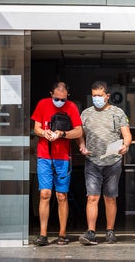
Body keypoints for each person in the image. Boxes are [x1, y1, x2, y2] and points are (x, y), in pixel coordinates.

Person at [77, 81, 132, 245]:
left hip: (113, 161)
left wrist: (126, 145)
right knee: (92, 197)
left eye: (99, 96)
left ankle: (110, 231)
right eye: (94, 96)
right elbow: (79, 133)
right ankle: (91, 232)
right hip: (92, 161)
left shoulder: (118, 113)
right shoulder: (86, 113)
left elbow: (127, 134)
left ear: (107, 96)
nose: (96, 98)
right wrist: (81, 145)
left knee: (110, 197)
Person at [31, 82, 83, 246]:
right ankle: (43, 234)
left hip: (63, 157)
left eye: (63, 98)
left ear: (67, 95)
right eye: (56, 98)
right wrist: (44, 133)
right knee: (45, 194)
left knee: (62, 195)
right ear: (51, 94)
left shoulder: (72, 107)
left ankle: (62, 233)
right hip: (44, 155)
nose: (59, 101)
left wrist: (63, 133)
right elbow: (36, 128)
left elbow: (79, 131)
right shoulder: (42, 104)